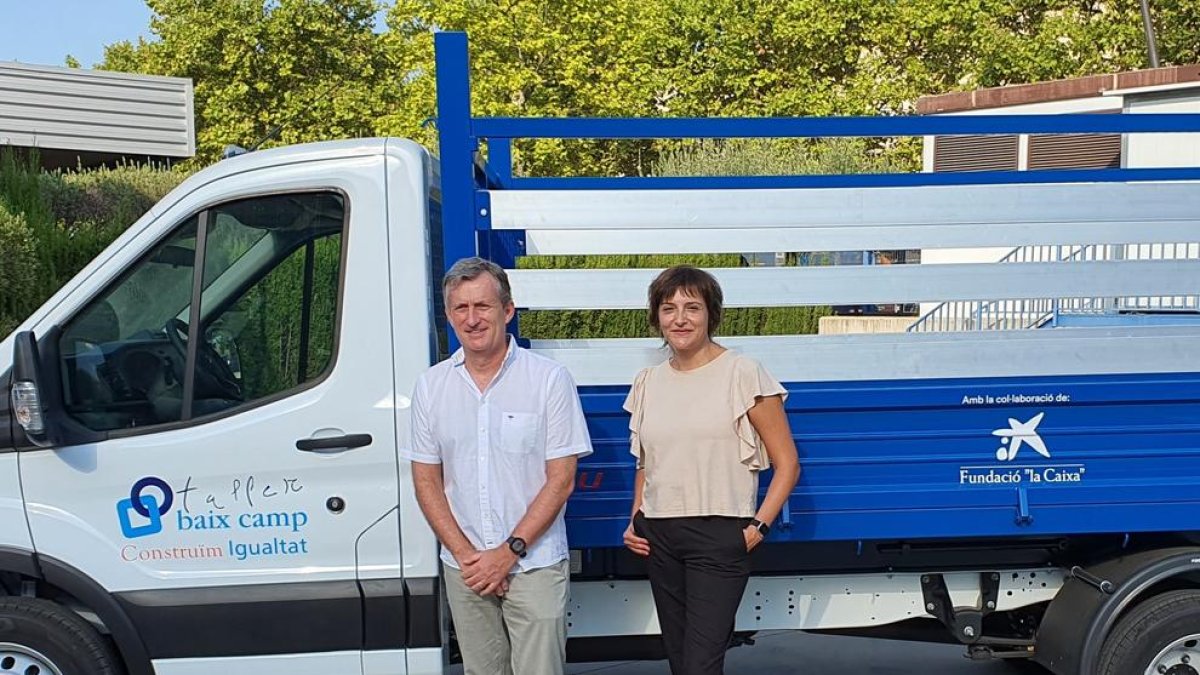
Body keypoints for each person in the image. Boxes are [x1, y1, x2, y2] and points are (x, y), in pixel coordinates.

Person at [402, 257, 593, 675]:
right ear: (449, 315)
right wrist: (469, 556)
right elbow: (426, 482)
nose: (472, 319)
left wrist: (508, 554)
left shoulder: (548, 380)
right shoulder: (431, 387)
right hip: (466, 569)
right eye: (460, 308)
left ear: (507, 310)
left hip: (534, 564)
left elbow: (560, 481)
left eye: (482, 306)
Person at [622, 265, 801, 675]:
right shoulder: (648, 381)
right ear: (656, 317)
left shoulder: (742, 372)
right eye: (668, 308)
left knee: (702, 665)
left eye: (692, 307)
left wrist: (758, 528)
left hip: (720, 535)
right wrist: (636, 518)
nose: (679, 319)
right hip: (659, 536)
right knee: (682, 663)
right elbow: (646, 461)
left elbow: (788, 463)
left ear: (711, 314)